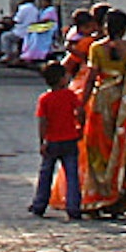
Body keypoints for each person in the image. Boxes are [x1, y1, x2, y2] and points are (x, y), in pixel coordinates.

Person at [76, 8, 126, 216]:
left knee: (97, 149)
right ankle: (118, 195)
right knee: (120, 149)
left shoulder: (97, 49)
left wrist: (80, 104)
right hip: (124, 104)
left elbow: (91, 78)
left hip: (102, 101)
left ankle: (97, 197)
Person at [28, 60, 84, 218]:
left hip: (52, 140)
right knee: (72, 175)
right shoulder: (70, 95)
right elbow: (80, 111)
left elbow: (43, 122)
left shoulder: (45, 99)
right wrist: (80, 126)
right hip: (70, 139)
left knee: (45, 174)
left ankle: (39, 204)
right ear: (62, 79)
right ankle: (73, 207)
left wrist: (42, 141)